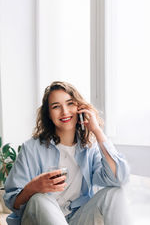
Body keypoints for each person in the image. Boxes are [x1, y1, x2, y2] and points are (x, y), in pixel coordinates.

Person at [4, 81, 131, 225]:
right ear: (49, 114)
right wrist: (33, 187)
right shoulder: (31, 148)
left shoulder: (90, 148)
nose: (65, 111)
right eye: (56, 106)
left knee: (115, 193)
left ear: (79, 107)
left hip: (78, 218)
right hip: (39, 218)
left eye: (70, 103)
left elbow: (118, 179)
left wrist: (96, 130)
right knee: (40, 199)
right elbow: (12, 203)